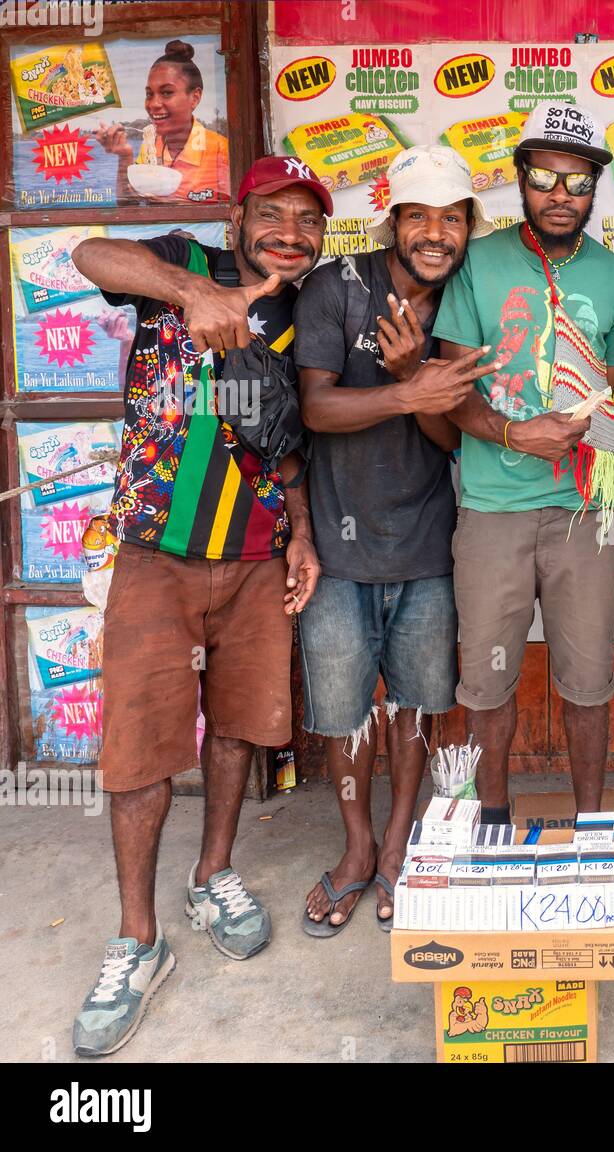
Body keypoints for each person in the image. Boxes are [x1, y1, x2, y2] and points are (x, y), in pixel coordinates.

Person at [69, 156, 331, 1056]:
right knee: (140, 746)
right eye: (272, 213)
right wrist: (188, 292)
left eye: (307, 218)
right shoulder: (180, 259)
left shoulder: (310, 313)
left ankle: (213, 871)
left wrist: (300, 533)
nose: (289, 232)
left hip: (257, 556)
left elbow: (290, 448)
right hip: (155, 550)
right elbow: (88, 252)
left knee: (237, 727)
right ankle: (137, 940)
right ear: (238, 216)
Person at [294, 146, 499, 935]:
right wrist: (406, 387)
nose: (436, 233)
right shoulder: (335, 287)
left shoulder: (466, 300)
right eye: (420, 216)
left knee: (415, 706)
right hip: (340, 553)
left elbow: (452, 441)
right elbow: (316, 409)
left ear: (468, 228)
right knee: (348, 715)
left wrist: (419, 391)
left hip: (427, 546)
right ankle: (355, 847)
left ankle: (401, 846)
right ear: (394, 220)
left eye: (452, 218)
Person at [433, 102, 614, 827]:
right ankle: (491, 817)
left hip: (584, 514)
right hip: (491, 509)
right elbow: (449, 392)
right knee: (486, 685)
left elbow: (612, 416)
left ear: (594, 189)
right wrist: (516, 436)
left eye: (577, 182)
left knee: (589, 682)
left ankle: (588, 821)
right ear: (520, 180)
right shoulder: (479, 264)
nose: (561, 195)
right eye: (545, 178)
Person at [95, 39, 230, 204]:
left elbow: (230, 218)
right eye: (149, 94)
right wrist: (125, 156)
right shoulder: (151, 145)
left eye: (166, 93)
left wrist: (175, 203)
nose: (153, 104)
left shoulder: (220, 151)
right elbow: (128, 207)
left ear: (195, 98)